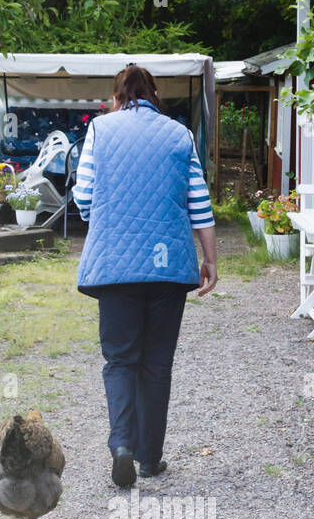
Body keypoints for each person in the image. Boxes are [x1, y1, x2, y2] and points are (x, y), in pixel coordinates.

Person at [73, 64, 217, 487]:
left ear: (117, 98)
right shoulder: (180, 135)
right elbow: (199, 203)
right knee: (156, 364)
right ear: (155, 95)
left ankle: (121, 445)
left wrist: (105, 216)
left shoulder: (100, 130)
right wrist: (209, 259)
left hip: (115, 266)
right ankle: (149, 458)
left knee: (120, 360)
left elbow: (84, 198)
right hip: (168, 267)